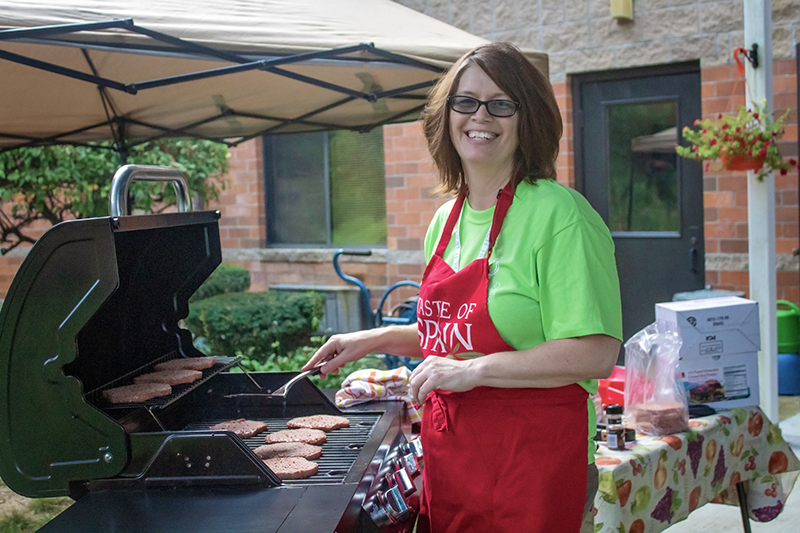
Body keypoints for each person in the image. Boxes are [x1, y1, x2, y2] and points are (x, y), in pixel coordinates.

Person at [304, 42, 623, 533]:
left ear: (527, 118)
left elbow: (596, 352)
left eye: (502, 103)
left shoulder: (561, 216)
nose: (481, 116)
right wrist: (375, 339)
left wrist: (473, 373)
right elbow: (456, 336)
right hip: (452, 458)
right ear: (447, 115)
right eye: (466, 101)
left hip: (530, 464)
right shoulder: (444, 220)